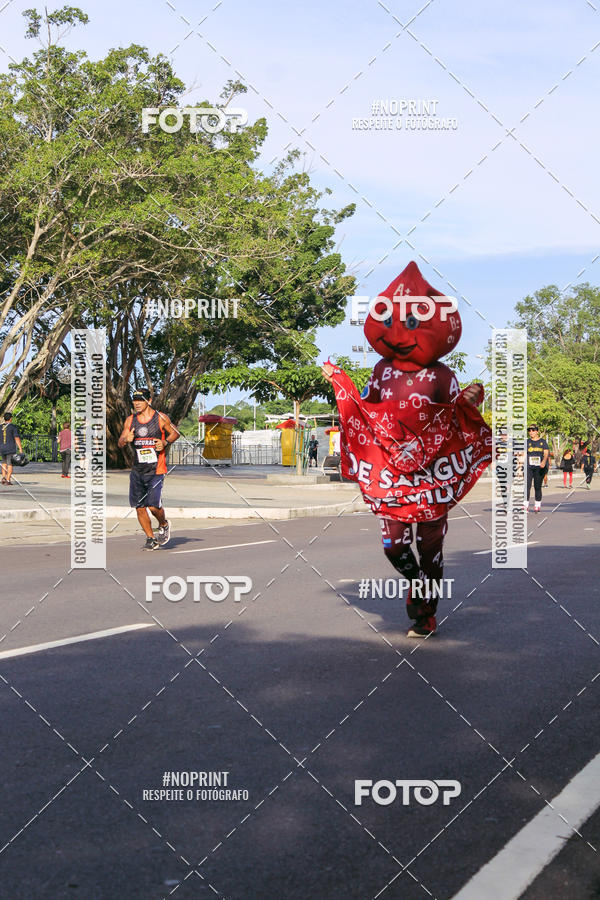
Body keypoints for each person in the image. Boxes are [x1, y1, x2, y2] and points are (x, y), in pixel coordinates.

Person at [322, 261, 491, 638]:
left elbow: (452, 420)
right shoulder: (381, 371)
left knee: (430, 550)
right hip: (392, 476)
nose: (399, 335)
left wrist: (468, 402)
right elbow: (367, 410)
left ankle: (424, 614)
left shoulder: (443, 376)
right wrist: (343, 385)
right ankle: (416, 583)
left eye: (412, 324)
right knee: (393, 546)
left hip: (432, 478)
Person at [118, 388, 180, 550]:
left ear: (149, 401)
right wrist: (126, 439)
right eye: (135, 400)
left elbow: (175, 433)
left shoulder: (160, 418)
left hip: (156, 470)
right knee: (139, 507)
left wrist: (165, 443)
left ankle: (164, 524)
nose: (137, 403)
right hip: (137, 470)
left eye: (141, 400)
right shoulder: (130, 420)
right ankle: (150, 538)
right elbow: (120, 442)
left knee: (153, 506)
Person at [525, 425, 549, 513]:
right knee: (526, 486)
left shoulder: (543, 442)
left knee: (537, 486)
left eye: (533, 430)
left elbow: (546, 453)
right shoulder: (527, 442)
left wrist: (543, 461)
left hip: (540, 467)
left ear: (537, 431)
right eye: (529, 430)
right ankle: (525, 506)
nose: (531, 432)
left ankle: (537, 505)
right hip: (529, 467)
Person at [0, 413, 23, 486]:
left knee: (4, 462)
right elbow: (16, 438)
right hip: (10, 448)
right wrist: (20, 448)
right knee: (10, 464)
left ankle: (3, 477)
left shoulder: (0, 427)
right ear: (10, 419)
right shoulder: (13, 427)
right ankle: (8, 479)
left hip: (2, 448)